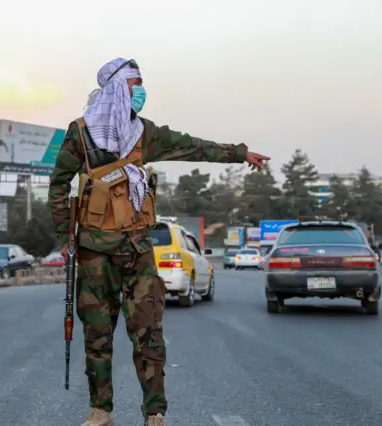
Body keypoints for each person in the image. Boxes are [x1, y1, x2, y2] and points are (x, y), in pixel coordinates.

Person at [48, 58, 270, 426]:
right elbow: (58, 183)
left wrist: (239, 153)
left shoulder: (144, 133)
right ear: (117, 86)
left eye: (141, 83)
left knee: (149, 336)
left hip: (137, 251)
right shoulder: (80, 132)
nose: (140, 89)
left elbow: (192, 146)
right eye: (134, 82)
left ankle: (155, 413)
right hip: (93, 253)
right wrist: (63, 236)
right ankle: (101, 410)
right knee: (97, 337)